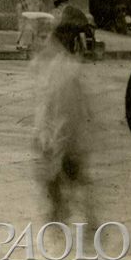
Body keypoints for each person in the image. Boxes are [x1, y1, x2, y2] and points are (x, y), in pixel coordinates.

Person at [34, 15, 98, 225]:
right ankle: (82, 219)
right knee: (73, 179)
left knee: (63, 179)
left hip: (65, 141)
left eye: (47, 37)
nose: (44, 41)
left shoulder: (64, 69)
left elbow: (65, 113)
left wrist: (55, 144)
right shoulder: (63, 66)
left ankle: (72, 219)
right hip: (67, 139)